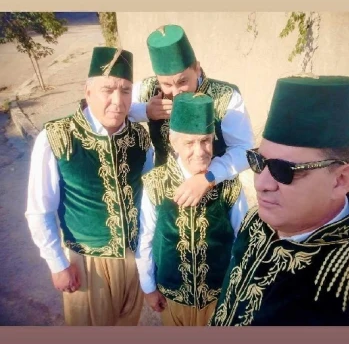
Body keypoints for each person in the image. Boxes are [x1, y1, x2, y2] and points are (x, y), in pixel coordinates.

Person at [210, 75, 349, 326]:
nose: (262, 184)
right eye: (259, 161)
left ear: (341, 180)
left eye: (284, 170)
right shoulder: (257, 220)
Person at [26, 46, 153, 326]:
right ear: (88, 91)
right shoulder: (56, 137)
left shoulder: (140, 138)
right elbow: (39, 209)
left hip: (134, 259)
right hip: (86, 265)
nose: (118, 101)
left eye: (126, 91)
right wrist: (57, 264)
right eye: (108, 89)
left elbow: (149, 196)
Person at [136, 92, 248, 326]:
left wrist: (236, 286)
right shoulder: (156, 183)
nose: (200, 151)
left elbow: (242, 237)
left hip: (219, 296)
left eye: (205, 140)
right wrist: (148, 287)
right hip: (173, 297)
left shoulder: (229, 183)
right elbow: (145, 237)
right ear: (173, 141)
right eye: (189, 142)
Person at [129, 23, 254, 208]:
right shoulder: (148, 90)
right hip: (163, 196)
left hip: (217, 194)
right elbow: (113, 110)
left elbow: (244, 149)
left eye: (182, 81)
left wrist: (208, 177)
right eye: (167, 84)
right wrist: (144, 111)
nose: (176, 93)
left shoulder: (226, 97)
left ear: (197, 68)